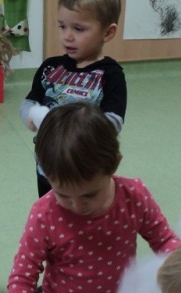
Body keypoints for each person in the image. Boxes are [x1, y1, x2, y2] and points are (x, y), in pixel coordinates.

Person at [7, 102, 179, 293]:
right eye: (63, 194)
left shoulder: (134, 197)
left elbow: (165, 241)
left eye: (89, 195)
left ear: (114, 164)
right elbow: (21, 278)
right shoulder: (45, 214)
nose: (77, 206)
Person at [22, 0, 126, 198]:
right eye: (62, 26)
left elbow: (114, 121)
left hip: (87, 174)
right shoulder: (50, 68)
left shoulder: (111, 74)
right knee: (51, 211)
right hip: (48, 168)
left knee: (84, 213)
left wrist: (77, 131)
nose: (67, 36)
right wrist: (32, 115)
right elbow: (29, 103)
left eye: (78, 29)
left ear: (107, 32)